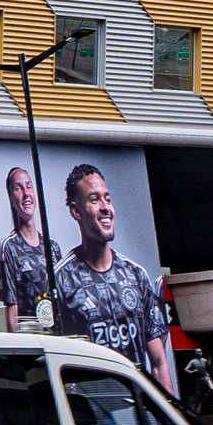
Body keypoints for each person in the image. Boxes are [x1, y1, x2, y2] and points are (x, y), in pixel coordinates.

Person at [51, 162, 175, 391]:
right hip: (92, 421)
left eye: (107, 199)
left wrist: (170, 422)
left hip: (139, 415)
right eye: (95, 199)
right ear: (76, 211)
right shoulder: (59, 282)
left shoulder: (136, 275)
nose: (106, 207)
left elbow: (158, 364)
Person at [0, 166, 57, 326]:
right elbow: (12, 309)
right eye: (18, 188)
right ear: (11, 197)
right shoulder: (9, 247)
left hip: (57, 341)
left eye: (29, 186)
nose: (26, 193)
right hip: (32, 340)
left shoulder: (52, 247)